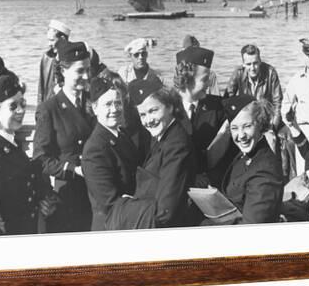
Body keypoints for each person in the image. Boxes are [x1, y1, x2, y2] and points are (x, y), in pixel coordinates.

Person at [0, 76, 57, 236]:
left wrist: (45, 198)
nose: (21, 110)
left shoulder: (10, 143)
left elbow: (21, 186)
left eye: (23, 104)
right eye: (13, 106)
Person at [106, 80, 198, 230]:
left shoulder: (176, 146)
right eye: (142, 114)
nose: (148, 120)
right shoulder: (162, 137)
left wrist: (129, 205)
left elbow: (166, 211)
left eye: (153, 111)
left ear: (170, 107)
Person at [33, 40, 95, 232]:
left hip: (96, 192)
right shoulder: (49, 109)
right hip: (67, 195)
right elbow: (40, 159)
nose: (86, 76)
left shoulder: (96, 102)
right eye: (79, 71)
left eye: (88, 69)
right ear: (64, 71)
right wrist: (73, 170)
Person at [214, 95, 284, 224]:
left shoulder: (265, 170)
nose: (241, 135)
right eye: (234, 128)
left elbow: (253, 226)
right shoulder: (244, 154)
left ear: (260, 124)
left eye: (247, 126)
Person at [82, 77, 140, 231]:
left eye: (118, 103)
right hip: (111, 226)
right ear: (95, 108)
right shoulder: (94, 150)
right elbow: (110, 202)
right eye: (107, 104)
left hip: (129, 218)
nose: (114, 109)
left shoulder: (121, 135)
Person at [173, 46, 234, 189]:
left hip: (210, 185)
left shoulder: (218, 107)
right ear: (187, 78)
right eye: (205, 79)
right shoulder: (168, 109)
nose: (209, 84)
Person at [225, 44, 283, 153]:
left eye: (255, 63)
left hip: (266, 120)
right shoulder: (238, 73)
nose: (252, 68)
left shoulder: (271, 72)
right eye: (248, 64)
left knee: (272, 143)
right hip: (246, 118)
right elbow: (228, 99)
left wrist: (273, 127)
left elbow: (278, 103)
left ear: (260, 61)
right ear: (243, 64)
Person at [281, 38, 309, 178]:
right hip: (303, 134)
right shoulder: (296, 80)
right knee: (305, 177)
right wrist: (291, 123)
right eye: (308, 54)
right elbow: (285, 107)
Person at [37, 20, 71, 105]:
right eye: (48, 40)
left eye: (52, 40)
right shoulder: (46, 57)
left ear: (63, 39)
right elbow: (41, 88)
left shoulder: (72, 59)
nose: (49, 44)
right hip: (48, 106)